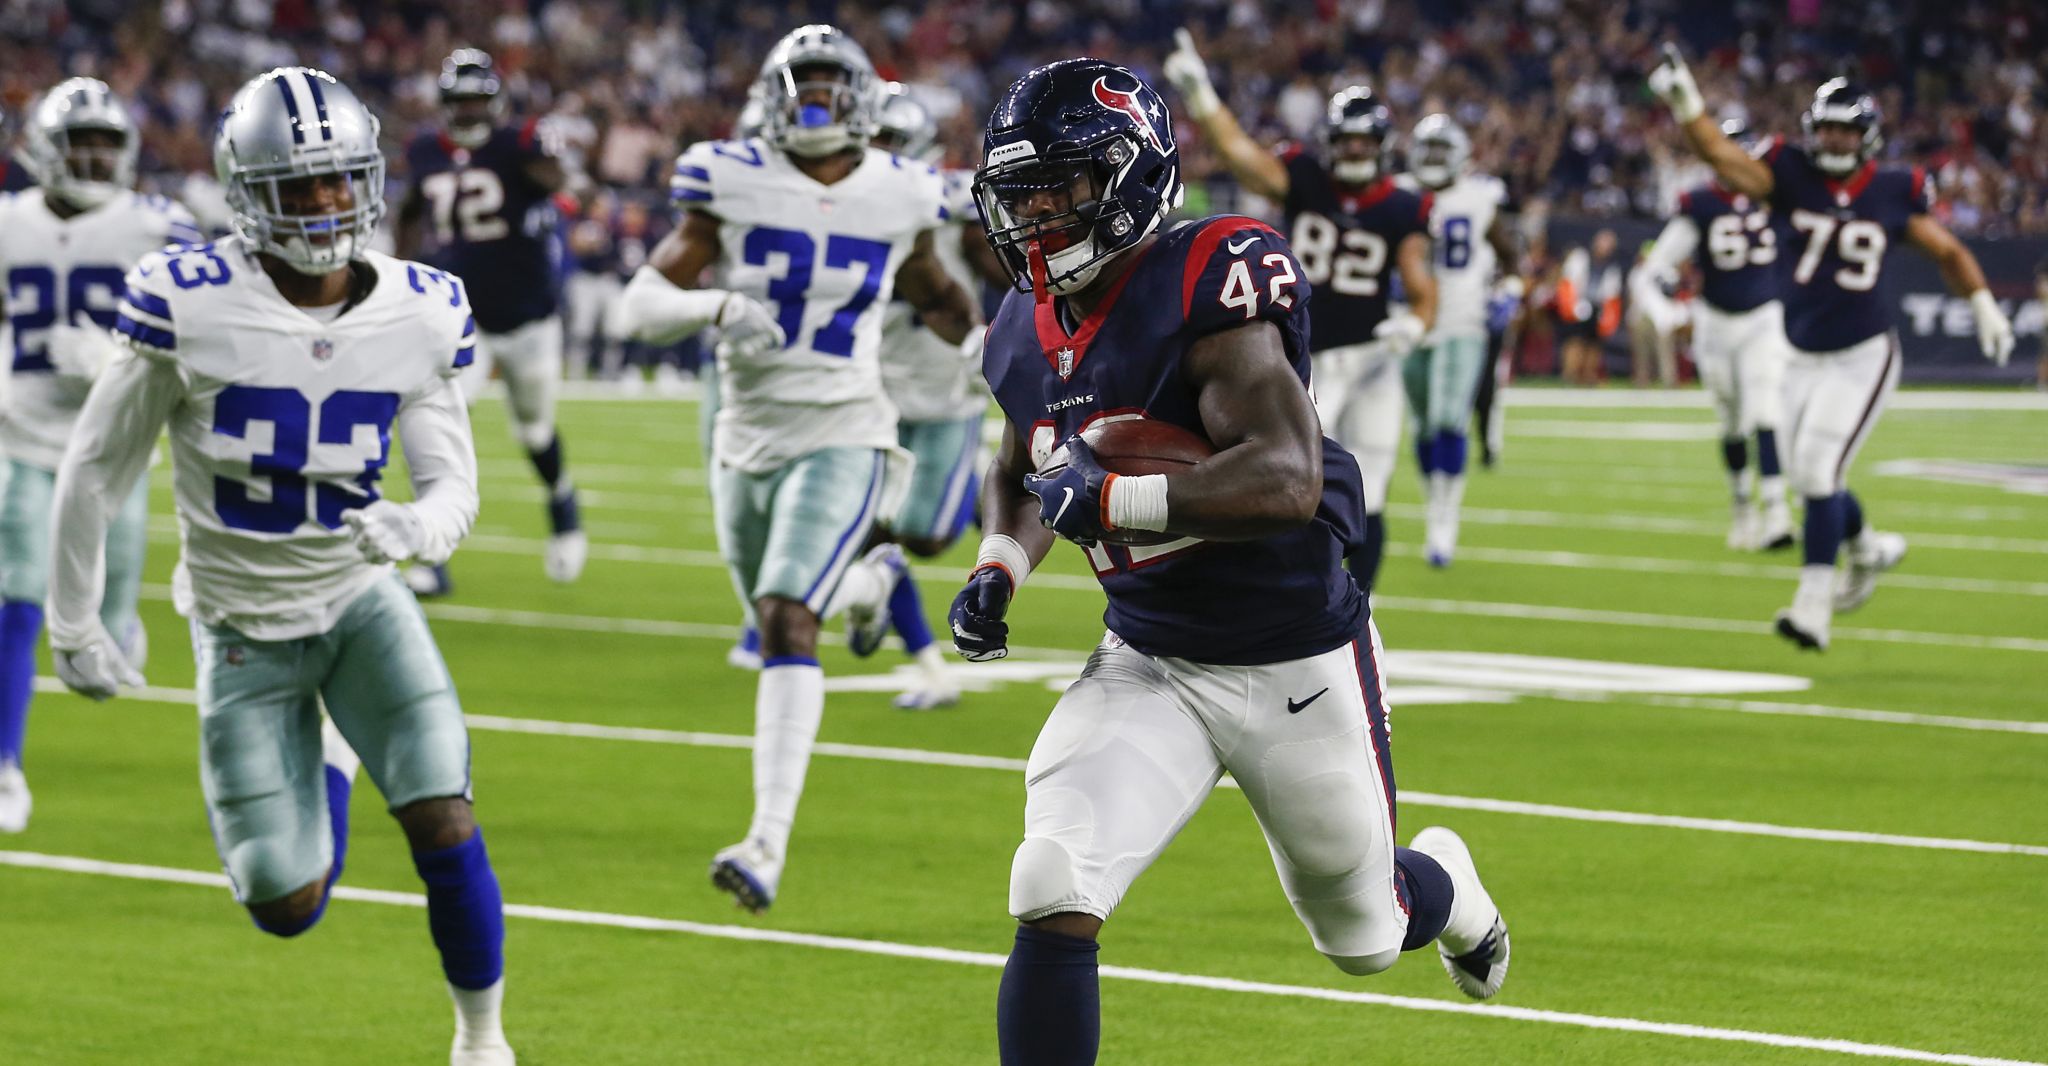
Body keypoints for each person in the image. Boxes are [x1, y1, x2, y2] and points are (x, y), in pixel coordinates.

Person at [955, 58, 1509, 1066]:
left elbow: (1288, 477)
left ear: (1128, 180)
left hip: (1292, 655)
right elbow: (1020, 460)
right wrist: (999, 564)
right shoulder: (1017, 328)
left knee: (1366, 934)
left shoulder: (1209, 273)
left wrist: (1115, 497)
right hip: (1149, 657)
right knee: (1052, 877)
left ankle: (1449, 883)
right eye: (1020, 195)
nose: (1034, 219)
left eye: (1061, 191)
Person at [46, 68, 514, 1064]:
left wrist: (417, 529)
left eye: (337, 181)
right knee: (287, 903)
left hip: (355, 602)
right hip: (239, 627)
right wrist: (75, 622)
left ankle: (482, 1038)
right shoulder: (189, 305)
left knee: (442, 808)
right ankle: (331, 758)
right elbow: (93, 470)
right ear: (247, 193)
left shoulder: (421, 310)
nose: (320, 204)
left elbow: (452, 486)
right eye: (295, 186)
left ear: (368, 182)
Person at [615, 24, 979, 911]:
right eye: (800, 86)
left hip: (848, 426)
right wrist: (717, 304)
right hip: (745, 437)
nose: (815, 103)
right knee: (771, 602)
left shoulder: (902, 191)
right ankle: (866, 586)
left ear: (858, 98)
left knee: (783, 619)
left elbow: (937, 290)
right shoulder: (728, 178)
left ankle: (766, 841)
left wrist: (981, 347)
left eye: (830, 86)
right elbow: (639, 304)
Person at [1651, 52, 2015, 649]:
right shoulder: (1790, 175)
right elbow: (1719, 157)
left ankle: (1812, 608)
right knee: (1806, 477)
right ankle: (1866, 547)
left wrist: (1981, 303)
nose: (1836, 139)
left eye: (1846, 128)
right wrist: (1687, 104)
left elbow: (1947, 251)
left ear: (1866, 134)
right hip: (1798, 350)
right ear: (1810, 131)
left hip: (1862, 353)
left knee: (1819, 472)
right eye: (1827, 128)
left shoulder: (1894, 189)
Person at [1164, 30, 1436, 592]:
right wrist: (1201, 97)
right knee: (1290, 471)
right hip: (1304, 356)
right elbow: (1244, 159)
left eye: (1365, 142)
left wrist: (1415, 322)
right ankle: (1276, 590)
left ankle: (1359, 602)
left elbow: (1420, 284)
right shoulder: (1307, 179)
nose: (1356, 151)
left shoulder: (1403, 207)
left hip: (1372, 356)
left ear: (1381, 144)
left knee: (1372, 484)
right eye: (1348, 141)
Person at [0, 78, 200, 832]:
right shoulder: (8, 221)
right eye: (79, 142)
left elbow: (211, 318)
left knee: (110, 630)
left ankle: (116, 625)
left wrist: (120, 354)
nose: (91, 156)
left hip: (116, 444)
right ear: (44, 148)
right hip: (23, 433)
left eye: (105, 144)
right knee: (18, 598)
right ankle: (5, 765)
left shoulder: (154, 225)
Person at [397, 48, 586, 595]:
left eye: (478, 101)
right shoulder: (427, 150)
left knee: (534, 430)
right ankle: (432, 555)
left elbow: (559, 181)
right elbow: (410, 211)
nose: (470, 112)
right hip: (466, 321)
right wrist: (406, 274)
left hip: (529, 317)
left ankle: (562, 505)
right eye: (460, 102)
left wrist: (541, 170)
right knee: (438, 422)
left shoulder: (520, 143)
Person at [864, 84, 1010, 710]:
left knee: (920, 536)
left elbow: (1005, 270)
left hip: (946, 391)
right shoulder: (844, 203)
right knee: (869, 534)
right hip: (872, 392)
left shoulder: (949, 200)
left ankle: (980, 479)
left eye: (893, 141)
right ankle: (927, 666)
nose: (880, 152)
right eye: (875, 139)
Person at [1633, 116, 1796, 551]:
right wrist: (1668, 306)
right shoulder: (1701, 203)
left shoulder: (1778, 199)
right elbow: (1654, 268)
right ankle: (1743, 505)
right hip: (1716, 321)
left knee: (1766, 412)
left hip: (1764, 317)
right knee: (1732, 423)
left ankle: (1777, 512)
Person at [1400, 114, 1517, 566]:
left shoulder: (1479, 198)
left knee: (1451, 419)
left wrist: (1510, 291)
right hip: (1409, 321)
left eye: (1438, 153)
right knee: (1423, 426)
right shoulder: (1401, 193)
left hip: (1464, 319)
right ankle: (1435, 502)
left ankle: (1444, 517)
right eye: (1425, 152)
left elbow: (1511, 255)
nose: (1430, 162)